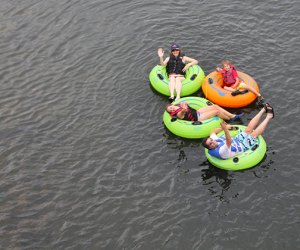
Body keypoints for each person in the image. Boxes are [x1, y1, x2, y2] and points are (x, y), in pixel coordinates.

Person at [201, 103, 274, 159]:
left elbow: (212, 132)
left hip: (236, 140)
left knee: (248, 130)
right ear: (210, 148)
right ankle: (269, 117)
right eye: (211, 143)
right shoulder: (221, 152)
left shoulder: (214, 141)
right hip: (242, 147)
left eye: (211, 140)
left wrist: (223, 128)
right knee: (253, 135)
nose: (213, 141)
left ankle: (263, 109)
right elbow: (228, 142)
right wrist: (226, 129)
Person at [166, 102, 244, 122]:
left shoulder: (179, 105)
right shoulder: (178, 114)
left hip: (197, 112)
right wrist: (184, 108)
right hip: (197, 118)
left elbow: (187, 104)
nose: (172, 109)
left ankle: (232, 116)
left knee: (215, 106)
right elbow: (182, 112)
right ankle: (229, 119)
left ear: (173, 105)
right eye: (171, 110)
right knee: (216, 111)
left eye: (172, 107)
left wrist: (185, 103)